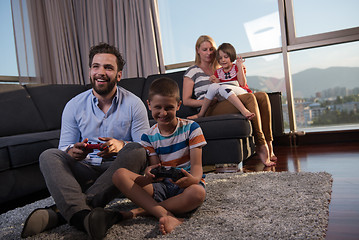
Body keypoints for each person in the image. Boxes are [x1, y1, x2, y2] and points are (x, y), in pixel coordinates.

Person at [21, 43, 150, 240]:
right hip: (86, 170)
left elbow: (146, 148)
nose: (101, 72)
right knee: (49, 155)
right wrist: (72, 151)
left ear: (119, 75)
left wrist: (120, 146)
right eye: (96, 66)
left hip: (119, 172)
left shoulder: (134, 104)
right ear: (90, 71)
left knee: (136, 151)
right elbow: (64, 147)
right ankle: (84, 216)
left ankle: (63, 212)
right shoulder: (74, 106)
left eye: (108, 67)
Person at [112, 77, 207, 235]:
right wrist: (149, 172)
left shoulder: (192, 128)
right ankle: (166, 214)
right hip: (161, 186)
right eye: (158, 107)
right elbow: (156, 171)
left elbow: (197, 168)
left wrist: (193, 180)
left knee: (198, 193)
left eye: (169, 107)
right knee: (119, 175)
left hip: (186, 186)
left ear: (178, 105)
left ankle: (141, 211)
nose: (163, 113)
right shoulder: (148, 136)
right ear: (149, 105)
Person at [183, 35, 276, 167]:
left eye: (211, 49)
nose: (209, 53)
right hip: (210, 107)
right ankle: (260, 145)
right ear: (197, 50)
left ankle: (269, 144)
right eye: (204, 49)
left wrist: (240, 71)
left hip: (227, 98)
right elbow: (186, 101)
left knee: (262, 96)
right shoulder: (192, 71)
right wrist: (207, 102)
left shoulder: (220, 68)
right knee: (250, 97)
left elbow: (239, 85)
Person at [188, 42, 254, 120]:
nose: (223, 60)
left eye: (226, 57)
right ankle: (201, 114)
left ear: (231, 56)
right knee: (213, 86)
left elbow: (242, 84)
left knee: (223, 88)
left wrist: (240, 68)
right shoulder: (218, 71)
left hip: (241, 91)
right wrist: (214, 80)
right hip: (227, 94)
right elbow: (219, 85)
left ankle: (244, 111)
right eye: (220, 58)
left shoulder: (236, 67)